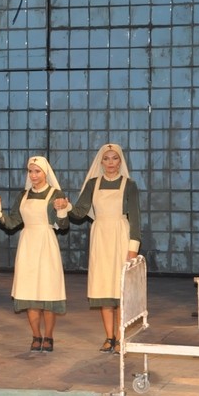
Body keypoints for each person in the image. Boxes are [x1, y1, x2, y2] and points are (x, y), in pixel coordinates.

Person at [0, 156, 69, 353]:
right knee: (29, 291)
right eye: (30, 171)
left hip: (46, 243)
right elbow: (12, 223)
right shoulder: (23, 195)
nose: (33, 175)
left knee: (48, 291)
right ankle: (36, 335)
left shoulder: (55, 193)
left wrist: (61, 210)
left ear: (45, 173)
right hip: (27, 245)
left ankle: (48, 336)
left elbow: (63, 226)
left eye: (37, 171)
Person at [68, 143, 141, 353]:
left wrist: (133, 248)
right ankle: (109, 337)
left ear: (120, 161)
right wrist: (66, 207)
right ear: (101, 162)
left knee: (120, 289)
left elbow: (135, 219)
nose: (111, 163)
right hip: (101, 237)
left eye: (114, 158)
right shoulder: (93, 184)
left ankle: (120, 337)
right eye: (106, 158)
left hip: (120, 237)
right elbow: (79, 212)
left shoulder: (129, 185)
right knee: (104, 288)